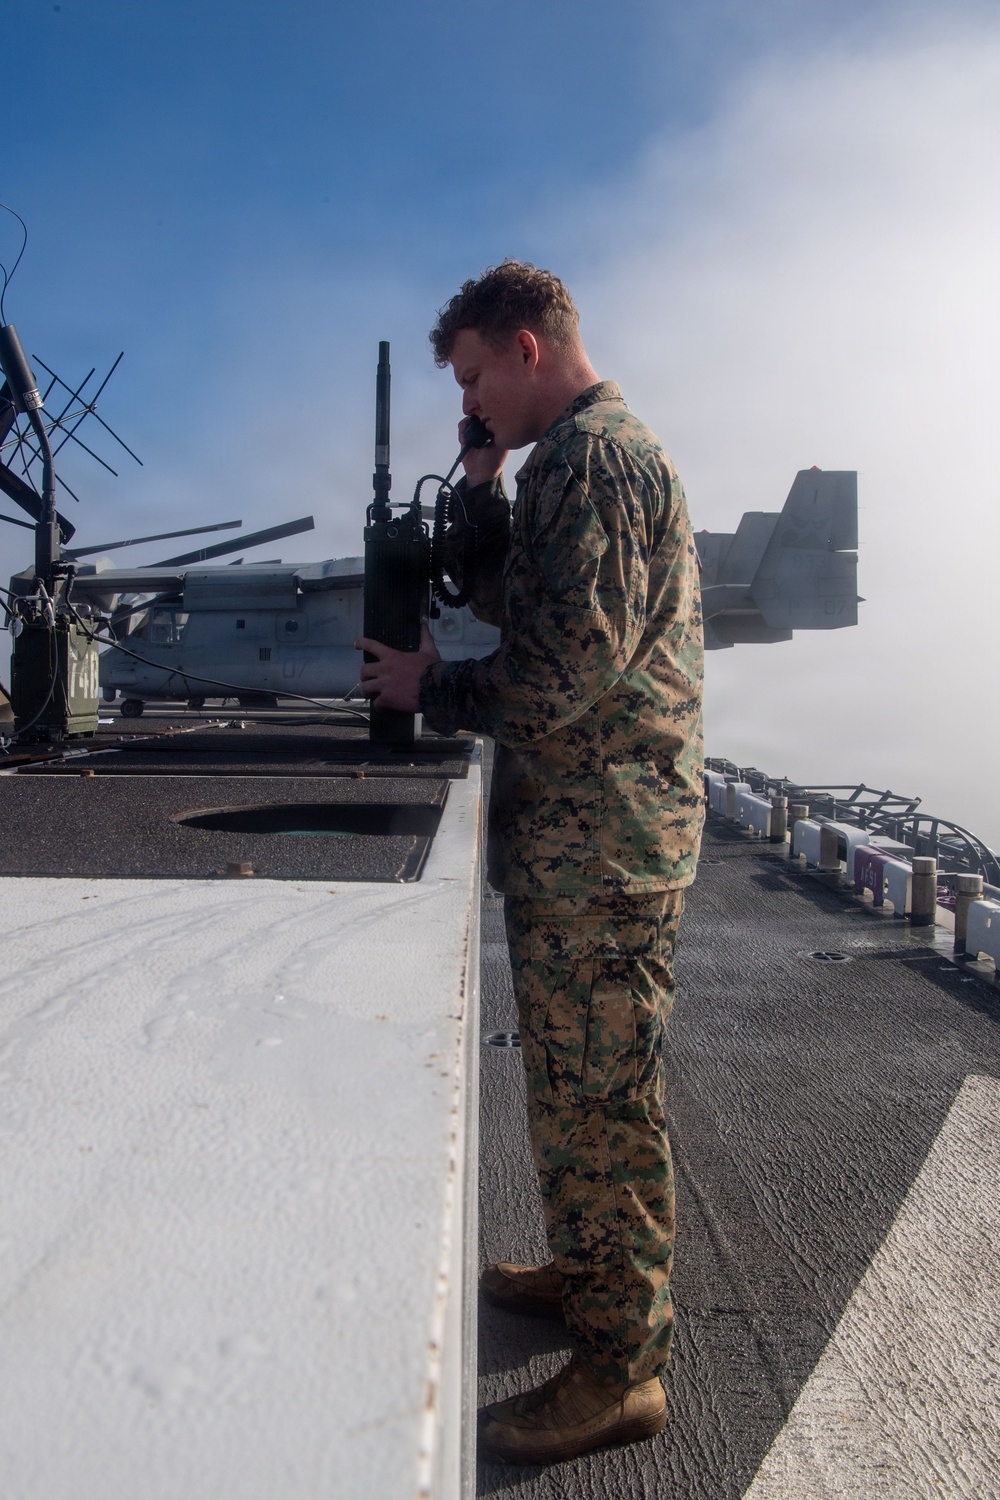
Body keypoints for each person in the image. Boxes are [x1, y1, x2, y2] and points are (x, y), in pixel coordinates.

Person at [356, 260, 704, 1466]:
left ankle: (622, 1370)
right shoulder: (556, 465)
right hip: (582, 843)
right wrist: (479, 481)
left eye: (473, 382)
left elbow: (561, 673)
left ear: (523, 349)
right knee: (571, 1088)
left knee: (603, 1101)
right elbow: (532, 603)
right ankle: (589, 1272)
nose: (474, 403)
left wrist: (426, 686)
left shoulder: (597, 462)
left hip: (604, 847)